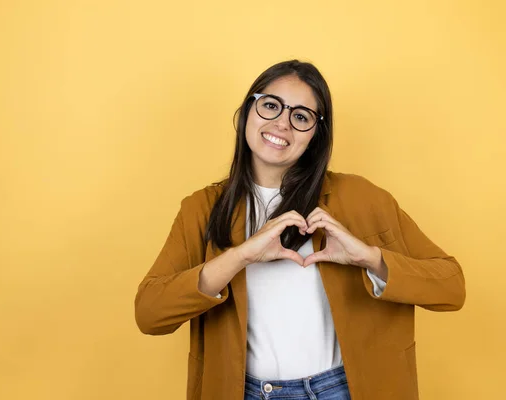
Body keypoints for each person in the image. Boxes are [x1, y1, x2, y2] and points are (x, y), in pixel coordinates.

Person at [134, 60, 466, 400]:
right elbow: (150, 315)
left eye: (301, 116)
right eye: (270, 105)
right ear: (249, 109)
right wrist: (241, 256)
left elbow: (452, 287)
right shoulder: (202, 209)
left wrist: (370, 259)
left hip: (343, 390)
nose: (282, 124)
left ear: (316, 134)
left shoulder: (362, 199)